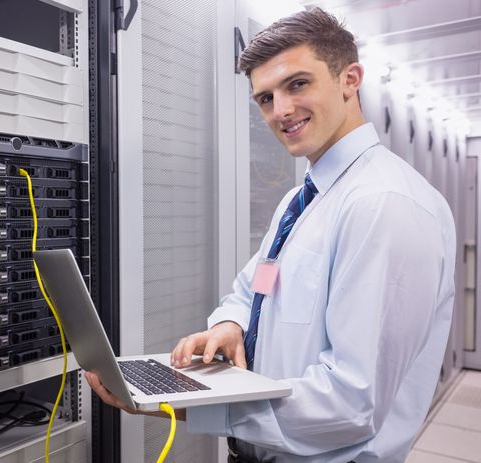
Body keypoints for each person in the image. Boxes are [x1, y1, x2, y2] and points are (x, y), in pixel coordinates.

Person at [85, 7, 456, 463]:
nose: (281, 110)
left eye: (298, 84)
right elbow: (257, 287)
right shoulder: (301, 200)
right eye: (265, 98)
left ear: (350, 79)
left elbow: (350, 404)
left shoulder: (383, 204)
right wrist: (230, 323)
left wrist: (177, 405)